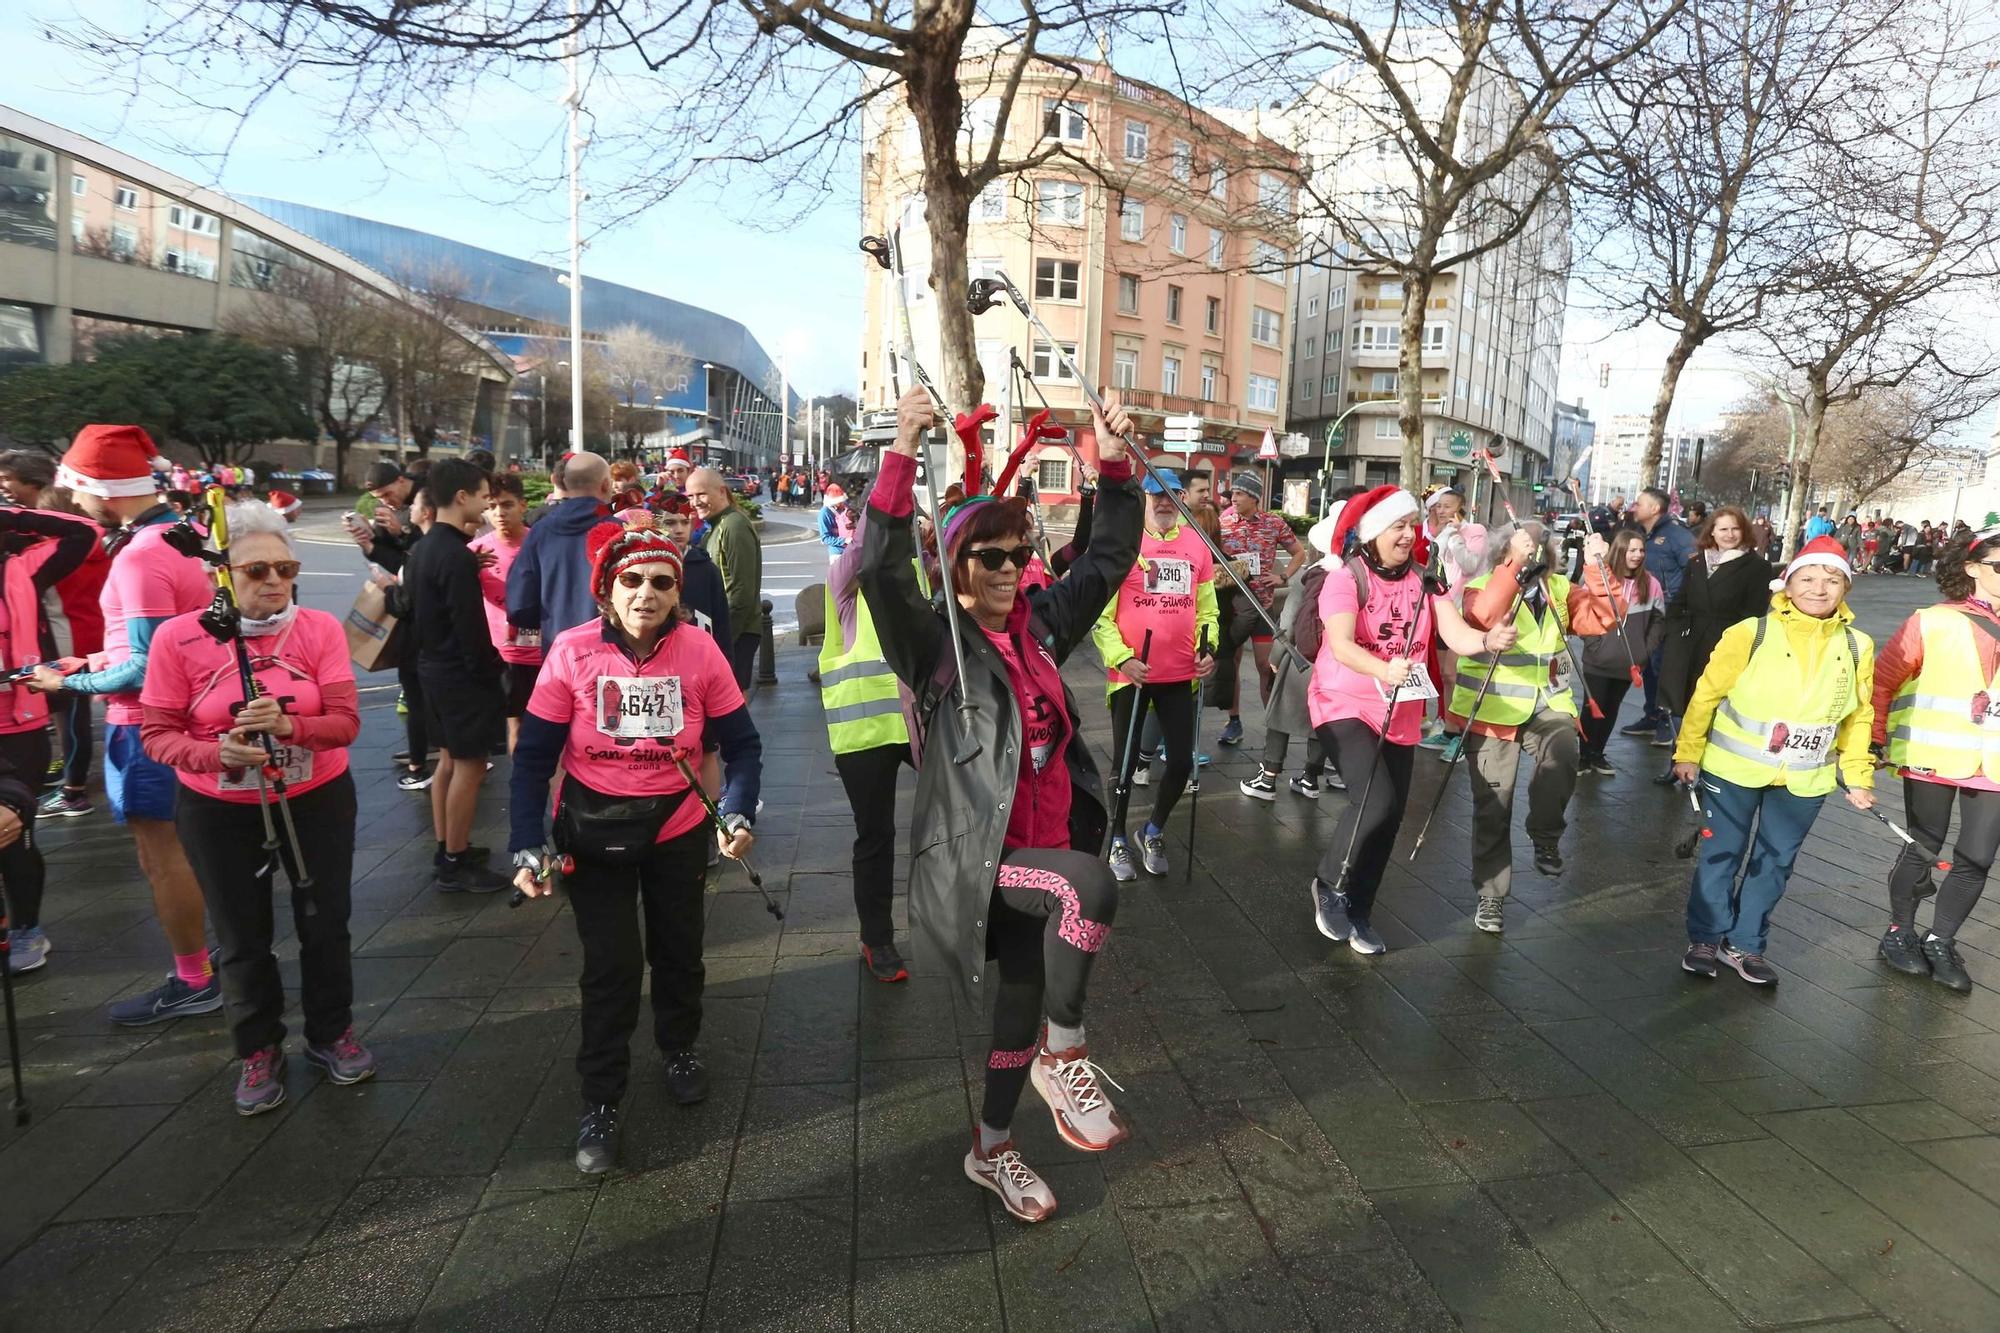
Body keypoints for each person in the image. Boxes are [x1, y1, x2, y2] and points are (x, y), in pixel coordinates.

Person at [859, 385, 1141, 1225]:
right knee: (1091, 886)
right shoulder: (936, 644)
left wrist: (1113, 459)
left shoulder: (1042, 624)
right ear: (955, 567)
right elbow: (877, 567)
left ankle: (991, 1148)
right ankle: (1069, 1051)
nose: (1011, 568)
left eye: (1019, 552)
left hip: (1042, 846)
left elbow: (1109, 557)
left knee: (1015, 1014)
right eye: (990, 557)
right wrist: (903, 445)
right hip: (982, 860)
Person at [509, 525, 762, 1173]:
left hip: (677, 828)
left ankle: (679, 1046)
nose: (646, 592)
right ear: (606, 587)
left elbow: (743, 745)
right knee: (612, 968)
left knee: (680, 949)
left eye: (662, 581)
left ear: (678, 590)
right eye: (632, 579)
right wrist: (525, 841)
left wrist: (733, 810)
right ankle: (600, 1100)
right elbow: (533, 758)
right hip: (594, 832)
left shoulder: (700, 650)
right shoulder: (571, 652)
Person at [136, 501, 373, 1111]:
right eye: (257, 570)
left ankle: (331, 1032)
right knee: (242, 934)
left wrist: (291, 728)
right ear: (223, 574)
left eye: (286, 568)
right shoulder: (178, 637)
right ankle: (257, 1049)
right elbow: (157, 733)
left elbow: (345, 722)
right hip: (218, 807)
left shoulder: (317, 628)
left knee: (325, 921)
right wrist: (220, 753)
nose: (275, 581)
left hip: (314, 797)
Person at [29, 426, 220, 1023]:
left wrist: (70, 682)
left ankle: (195, 979)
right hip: (192, 712)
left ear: (100, 488)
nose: (72, 502)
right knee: (186, 848)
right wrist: (91, 660)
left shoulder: (139, 554)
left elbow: (144, 664)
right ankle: (213, 958)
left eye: (74, 488)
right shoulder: (184, 532)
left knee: (162, 855)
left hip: (147, 724)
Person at [1307, 487, 1530, 951]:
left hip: (1402, 711)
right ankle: (1329, 883)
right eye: (1398, 525)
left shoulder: (1427, 580)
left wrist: (1488, 642)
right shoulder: (1346, 578)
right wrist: (1381, 668)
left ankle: (1361, 912)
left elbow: (1455, 633)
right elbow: (1342, 644)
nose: (1409, 534)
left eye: (1412, 524)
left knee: (1389, 822)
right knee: (1375, 800)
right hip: (1343, 701)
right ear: (1372, 533)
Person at [1673, 536, 1875, 983]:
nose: (1819, 589)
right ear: (1787, 584)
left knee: (1776, 860)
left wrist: (1859, 776)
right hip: (1733, 768)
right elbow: (1706, 695)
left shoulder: (1858, 643)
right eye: (1808, 578)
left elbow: (1860, 716)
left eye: (1831, 580)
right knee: (1722, 853)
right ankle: (1705, 937)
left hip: (1806, 778)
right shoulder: (1751, 632)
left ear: (1845, 588)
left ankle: (1745, 944)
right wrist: (1687, 752)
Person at [1452, 518, 1621, 933]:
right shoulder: (1483, 584)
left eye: (1541, 543)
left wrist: (1600, 567)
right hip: (1492, 710)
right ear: (1503, 549)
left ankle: (1545, 834)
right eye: (1526, 542)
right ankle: (1491, 897)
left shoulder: (1559, 588)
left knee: (1564, 754)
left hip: (1548, 704)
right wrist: (1513, 566)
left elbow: (1605, 617)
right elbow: (1483, 615)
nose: (1536, 548)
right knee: (1493, 806)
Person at [1870, 525, 2000, 992]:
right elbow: (1883, 680)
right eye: (1999, 566)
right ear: (1971, 569)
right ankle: (1898, 931)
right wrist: (1873, 739)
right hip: (1933, 753)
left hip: (1995, 763)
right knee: (1924, 845)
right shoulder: (1932, 620)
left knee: (1978, 857)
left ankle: (1941, 939)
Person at [1092, 469, 1217, 881]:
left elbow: (1208, 612)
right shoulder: (1127, 544)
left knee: (1181, 762)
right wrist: (1123, 658)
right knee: (1125, 766)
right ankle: (1116, 841)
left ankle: (1153, 830)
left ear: (1182, 498)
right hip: (1132, 674)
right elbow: (1101, 616)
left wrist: (1208, 648)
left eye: (1171, 495)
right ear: (1144, 499)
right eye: (1155, 495)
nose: (1164, 502)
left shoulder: (1197, 546)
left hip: (1180, 674)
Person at [820, 486, 916, 981]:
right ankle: (876, 938)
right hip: (862, 733)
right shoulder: (845, 577)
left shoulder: (917, 573)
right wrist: (890, 505)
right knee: (876, 836)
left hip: (918, 726)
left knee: (964, 810)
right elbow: (866, 552)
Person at [0, 507, 98, 973]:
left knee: (13, 833)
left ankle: (26, 930)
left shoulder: (21, 566)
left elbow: (84, 531)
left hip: (16, 726)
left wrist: (9, 513)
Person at [403, 459, 509, 892]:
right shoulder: (455, 555)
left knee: (446, 760)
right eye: (484, 495)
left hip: (431, 669)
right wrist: (493, 673)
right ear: (462, 496)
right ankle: (456, 861)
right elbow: (471, 629)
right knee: (470, 766)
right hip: (460, 676)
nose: (488, 504)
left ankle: (447, 845)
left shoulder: (428, 547)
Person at [1658, 506, 1776, 778]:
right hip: (1687, 642)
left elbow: (1754, 613)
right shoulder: (1698, 561)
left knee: (1712, 706)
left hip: (1725, 643)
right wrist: (1673, 629)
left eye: (1735, 529)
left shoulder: (1757, 566)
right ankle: (1677, 762)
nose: (1729, 534)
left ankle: (1706, 769)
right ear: (1712, 531)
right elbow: (1680, 599)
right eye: (1723, 529)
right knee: (1681, 704)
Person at [1241, 511, 1345, 802]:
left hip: (1301, 658)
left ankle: (1268, 778)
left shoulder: (1310, 576)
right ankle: (1310, 777)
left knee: (1281, 715)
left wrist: (1275, 656)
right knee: (1319, 721)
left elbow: (1286, 623)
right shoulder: (1353, 575)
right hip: (1335, 659)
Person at [1216, 471, 1304, 746]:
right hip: (1233, 608)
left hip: (1264, 606)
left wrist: (1283, 577)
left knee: (1266, 666)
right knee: (1232, 664)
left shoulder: (1273, 523)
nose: (1234, 498)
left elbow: (1299, 552)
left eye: (1239, 494)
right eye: (1233, 494)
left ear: (1254, 498)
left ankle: (1272, 723)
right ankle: (1234, 722)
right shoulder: (1223, 522)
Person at [1575, 529, 1666, 777]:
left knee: (1612, 708)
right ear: (1619, 551)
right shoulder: (1600, 577)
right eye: (1631, 550)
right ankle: (1583, 754)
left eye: (1641, 550)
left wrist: (1645, 651)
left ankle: (1597, 754)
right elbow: (1581, 610)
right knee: (1593, 706)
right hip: (1599, 658)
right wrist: (1593, 642)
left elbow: (1659, 621)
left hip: (1630, 661)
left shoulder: (1651, 584)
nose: (1637, 555)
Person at [508, 451, 615, 645]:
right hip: (612, 653)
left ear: (565, 482)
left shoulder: (539, 532)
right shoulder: (620, 532)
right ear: (606, 484)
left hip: (558, 648)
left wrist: (552, 621)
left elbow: (519, 605)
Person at [1619, 488, 1696, 745]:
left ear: (1654, 508)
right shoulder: (1646, 535)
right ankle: (1652, 716)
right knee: (1650, 666)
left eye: (1639, 503)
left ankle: (1666, 724)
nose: (1634, 506)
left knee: (1662, 668)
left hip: (1670, 613)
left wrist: (1680, 603)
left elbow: (1695, 569)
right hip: (1648, 611)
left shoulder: (1676, 535)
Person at [471, 474, 541, 753]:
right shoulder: (476, 552)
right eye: (493, 506)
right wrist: (467, 570)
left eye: (507, 505)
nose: (499, 513)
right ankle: (520, 787)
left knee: (556, 726)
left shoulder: (540, 543)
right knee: (517, 727)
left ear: (523, 505)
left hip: (546, 652)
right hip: (506, 656)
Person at [688, 466, 763, 689]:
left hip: (738, 633)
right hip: (727, 632)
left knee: (733, 707)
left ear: (722, 492)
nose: (695, 502)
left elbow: (741, 592)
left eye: (701, 494)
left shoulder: (733, 525)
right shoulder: (715, 527)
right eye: (690, 496)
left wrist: (722, 641)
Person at [650, 493, 730, 644]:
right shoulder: (647, 569)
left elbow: (722, 626)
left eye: (685, 522)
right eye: (670, 523)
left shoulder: (707, 569)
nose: (679, 530)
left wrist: (726, 664)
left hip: (700, 656)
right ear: (656, 524)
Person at [344, 462, 416, 573]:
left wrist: (402, 533)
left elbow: (423, 560)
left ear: (400, 481)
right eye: (379, 498)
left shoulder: (424, 501)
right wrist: (370, 537)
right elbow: (390, 554)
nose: (386, 502)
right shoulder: (383, 507)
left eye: (387, 494)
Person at [818, 483, 851, 555]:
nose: (843, 503)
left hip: (851, 550)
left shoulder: (846, 508)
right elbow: (825, 538)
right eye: (840, 502)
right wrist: (844, 540)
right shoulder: (824, 513)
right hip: (837, 552)